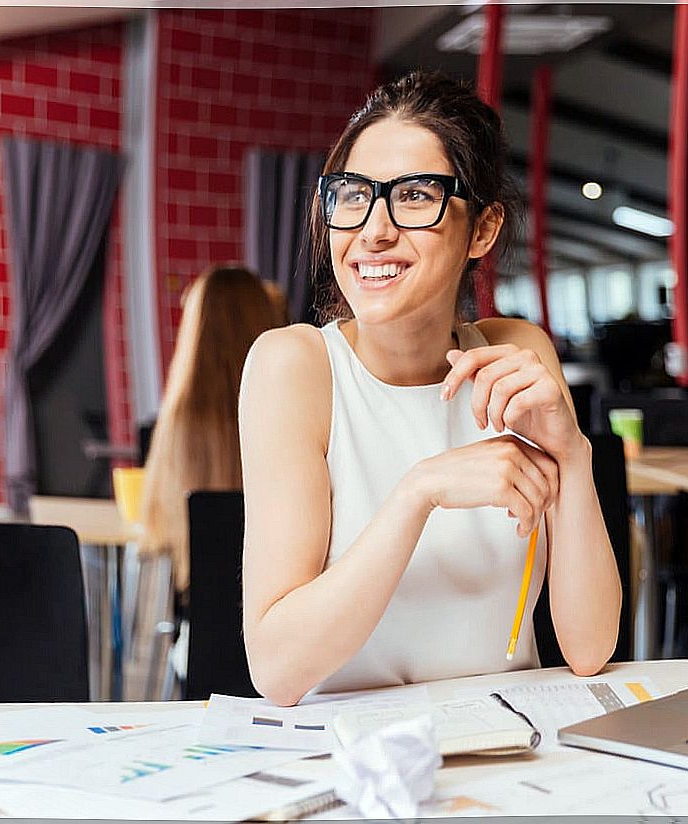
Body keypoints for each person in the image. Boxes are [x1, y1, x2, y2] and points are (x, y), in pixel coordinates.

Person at [239, 71, 621, 707]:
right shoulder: (295, 367)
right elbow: (276, 670)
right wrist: (420, 491)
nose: (373, 230)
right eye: (352, 195)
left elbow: (589, 648)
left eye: (415, 196)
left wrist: (574, 458)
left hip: (513, 748)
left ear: (483, 229)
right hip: (356, 764)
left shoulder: (518, 354)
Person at [140, 264, 286, 598]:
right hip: (279, 613)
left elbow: (157, 533)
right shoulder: (289, 414)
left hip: (197, 628)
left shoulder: (178, 421)